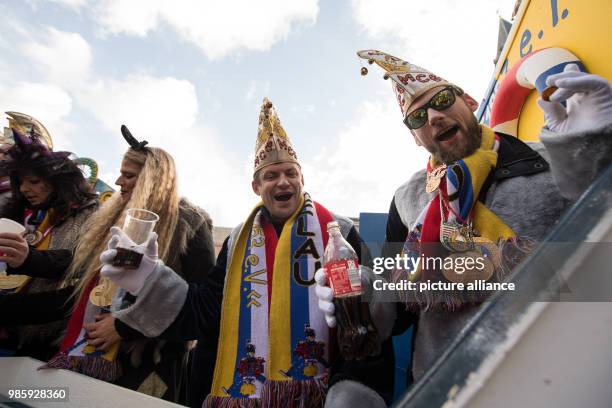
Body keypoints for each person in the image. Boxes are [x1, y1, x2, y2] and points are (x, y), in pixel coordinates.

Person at [317, 49, 612, 403]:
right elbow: (398, 310)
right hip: (450, 389)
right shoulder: (407, 200)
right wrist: (365, 294)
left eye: (442, 100)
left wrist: (596, 156)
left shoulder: (552, 160)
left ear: (468, 100)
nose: (434, 117)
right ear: (415, 137)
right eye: (417, 118)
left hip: (561, 379)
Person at [100, 98, 392, 407]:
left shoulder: (341, 232)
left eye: (291, 173)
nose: (283, 181)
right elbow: (206, 310)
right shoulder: (237, 240)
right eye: (271, 175)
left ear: (302, 179)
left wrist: (350, 391)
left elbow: (373, 319)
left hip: (320, 395)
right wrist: (148, 277)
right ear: (256, 186)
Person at [1, 125, 215, 404]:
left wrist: (127, 325)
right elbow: (79, 271)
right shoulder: (112, 219)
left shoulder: (190, 223)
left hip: (148, 364)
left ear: (152, 180)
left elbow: (204, 307)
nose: (117, 181)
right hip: (83, 355)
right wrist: (28, 259)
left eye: (128, 175)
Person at [0, 112, 97, 361]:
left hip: (44, 343)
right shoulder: (15, 210)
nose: (24, 189)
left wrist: (29, 259)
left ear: (58, 182)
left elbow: (81, 263)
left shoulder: (90, 214)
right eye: (20, 182)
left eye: (33, 181)